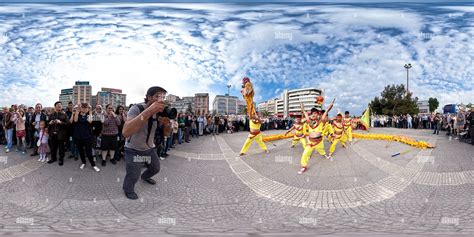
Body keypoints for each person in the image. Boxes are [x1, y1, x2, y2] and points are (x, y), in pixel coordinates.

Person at [122, 86, 166, 200]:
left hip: (149, 149)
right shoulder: (136, 108)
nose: (160, 99)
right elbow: (126, 132)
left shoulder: (159, 113)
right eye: (157, 96)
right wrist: (149, 111)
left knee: (155, 168)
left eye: (162, 97)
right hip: (133, 149)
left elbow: (166, 133)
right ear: (148, 97)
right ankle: (128, 189)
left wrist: (167, 124)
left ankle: (145, 176)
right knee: (133, 174)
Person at [298, 99, 335, 174]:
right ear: (310, 115)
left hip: (319, 141)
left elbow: (327, 110)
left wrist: (331, 105)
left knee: (321, 149)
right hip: (311, 141)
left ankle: (325, 155)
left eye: (315, 113)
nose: (314, 115)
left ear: (318, 114)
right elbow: (304, 112)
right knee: (305, 153)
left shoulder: (321, 120)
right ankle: (304, 166)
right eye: (312, 114)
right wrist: (301, 105)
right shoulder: (308, 121)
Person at [72, 103, 100, 172]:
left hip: (87, 137)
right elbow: (75, 120)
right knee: (81, 151)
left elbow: (90, 121)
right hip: (78, 137)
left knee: (89, 152)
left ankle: (93, 165)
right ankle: (83, 162)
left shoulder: (89, 115)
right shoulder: (77, 114)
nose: (84, 109)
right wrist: (77, 111)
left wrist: (90, 111)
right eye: (82, 107)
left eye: (85, 107)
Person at [47, 102, 69, 166]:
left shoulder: (64, 115)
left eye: (60, 105)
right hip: (52, 134)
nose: (59, 106)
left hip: (61, 135)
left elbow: (68, 124)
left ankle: (61, 159)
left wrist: (60, 122)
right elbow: (47, 125)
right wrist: (50, 123)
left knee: (61, 148)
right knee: (53, 148)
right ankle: (53, 158)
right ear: (55, 107)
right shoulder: (51, 115)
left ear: (61, 107)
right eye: (57, 105)